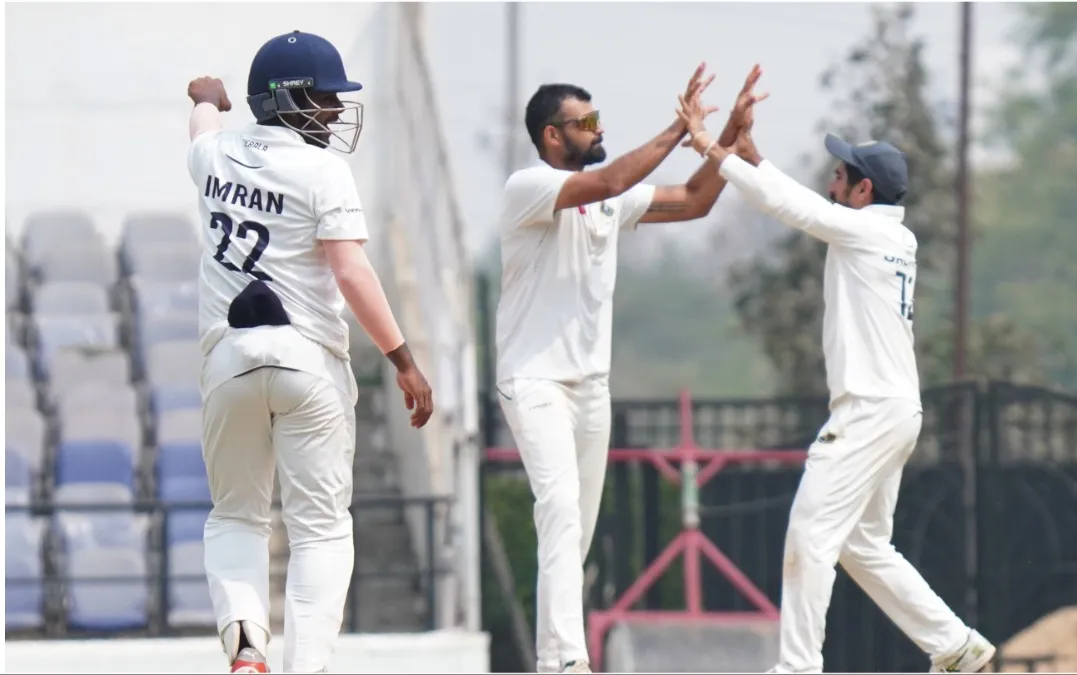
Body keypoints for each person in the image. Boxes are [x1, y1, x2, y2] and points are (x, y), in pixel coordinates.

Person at [674, 88, 996, 674]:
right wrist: (749, 153)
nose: (832, 181)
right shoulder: (892, 235)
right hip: (895, 409)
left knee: (810, 537)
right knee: (864, 545)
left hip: (868, 412)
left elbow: (791, 208)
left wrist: (710, 146)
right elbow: (803, 202)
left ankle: (797, 667)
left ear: (864, 190)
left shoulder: (867, 234)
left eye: (841, 174)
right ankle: (955, 645)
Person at [495, 64, 768, 673]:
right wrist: (680, 127)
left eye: (597, 119)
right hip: (533, 378)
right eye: (584, 122)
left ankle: (554, 658)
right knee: (560, 509)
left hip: (590, 386)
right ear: (551, 136)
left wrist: (726, 134)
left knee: (574, 533)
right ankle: (565, 661)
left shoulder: (609, 202)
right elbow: (613, 177)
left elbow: (696, 201)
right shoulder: (528, 187)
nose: (597, 129)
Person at [185, 30, 433, 674]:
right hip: (307, 364)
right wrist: (403, 359)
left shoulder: (213, 157)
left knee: (236, 518)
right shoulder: (324, 170)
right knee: (320, 528)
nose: (332, 112)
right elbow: (350, 273)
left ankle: (245, 647)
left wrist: (207, 98)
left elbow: (204, 122)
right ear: (286, 99)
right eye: (322, 98)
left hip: (228, 362)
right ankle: (307, 666)